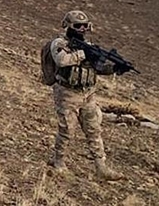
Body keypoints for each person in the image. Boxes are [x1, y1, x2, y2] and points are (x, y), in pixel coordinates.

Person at [48, 10, 124, 181]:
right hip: (67, 93)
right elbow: (61, 60)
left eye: (85, 25)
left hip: (88, 93)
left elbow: (97, 69)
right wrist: (84, 54)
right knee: (67, 130)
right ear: (68, 26)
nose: (82, 29)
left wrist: (115, 68)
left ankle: (101, 166)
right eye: (77, 26)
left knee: (94, 130)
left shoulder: (89, 46)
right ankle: (58, 162)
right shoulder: (60, 43)